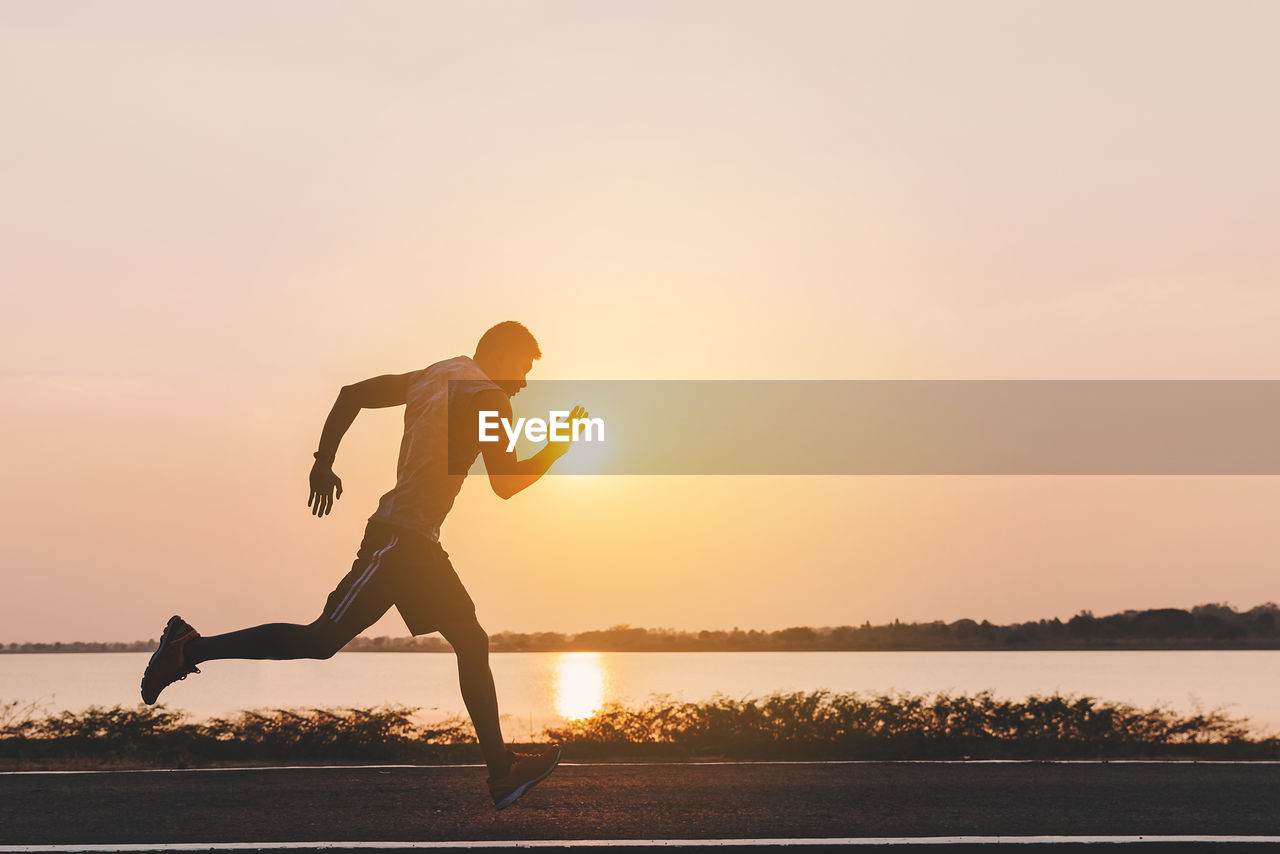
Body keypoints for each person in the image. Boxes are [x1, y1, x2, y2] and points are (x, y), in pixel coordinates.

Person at [140, 321, 584, 809]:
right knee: (321, 638)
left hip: (417, 543)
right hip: (399, 542)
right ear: (499, 352)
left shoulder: (434, 374)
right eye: (523, 368)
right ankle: (190, 648)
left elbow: (352, 394)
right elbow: (507, 482)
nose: (523, 383)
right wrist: (559, 446)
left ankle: (501, 772)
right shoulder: (489, 399)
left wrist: (323, 460)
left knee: (470, 640)